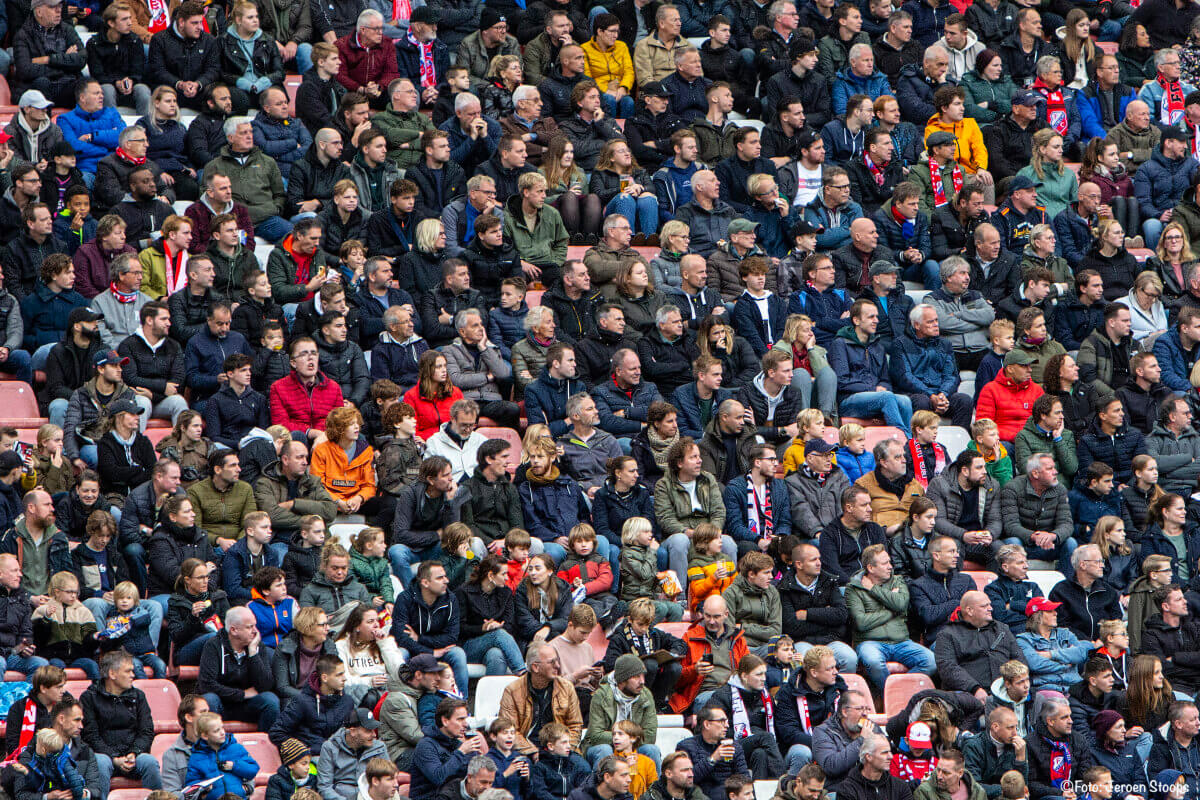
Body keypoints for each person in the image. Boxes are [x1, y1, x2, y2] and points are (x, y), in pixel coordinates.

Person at [847, 543, 937, 690]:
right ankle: (892, 695)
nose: (890, 566)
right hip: (870, 642)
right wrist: (893, 611)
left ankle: (898, 692)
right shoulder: (854, 588)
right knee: (873, 661)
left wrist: (874, 589)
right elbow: (861, 622)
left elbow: (902, 605)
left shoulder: (897, 580)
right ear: (870, 568)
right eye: (885, 563)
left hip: (901, 642)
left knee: (931, 661)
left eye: (889, 561)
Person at [80, 650, 161, 795]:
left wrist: (134, 752)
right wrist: (114, 758)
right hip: (104, 756)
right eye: (128, 671)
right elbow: (90, 735)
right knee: (101, 763)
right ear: (112, 674)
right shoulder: (89, 697)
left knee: (149, 762)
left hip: (133, 755)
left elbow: (147, 731)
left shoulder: (139, 696)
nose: (133, 675)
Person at [204, 118, 290, 244]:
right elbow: (206, 197)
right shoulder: (214, 166)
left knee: (294, 237)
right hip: (232, 222)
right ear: (231, 138)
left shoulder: (268, 162)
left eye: (250, 132)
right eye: (243, 133)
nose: (249, 136)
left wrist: (276, 209)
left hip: (266, 219)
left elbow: (279, 194)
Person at [317, 709, 389, 800]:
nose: (374, 735)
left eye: (374, 730)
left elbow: (387, 780)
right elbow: (324, 787)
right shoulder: (330, 747)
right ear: (353, 731)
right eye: (368, 731)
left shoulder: (379, 748)